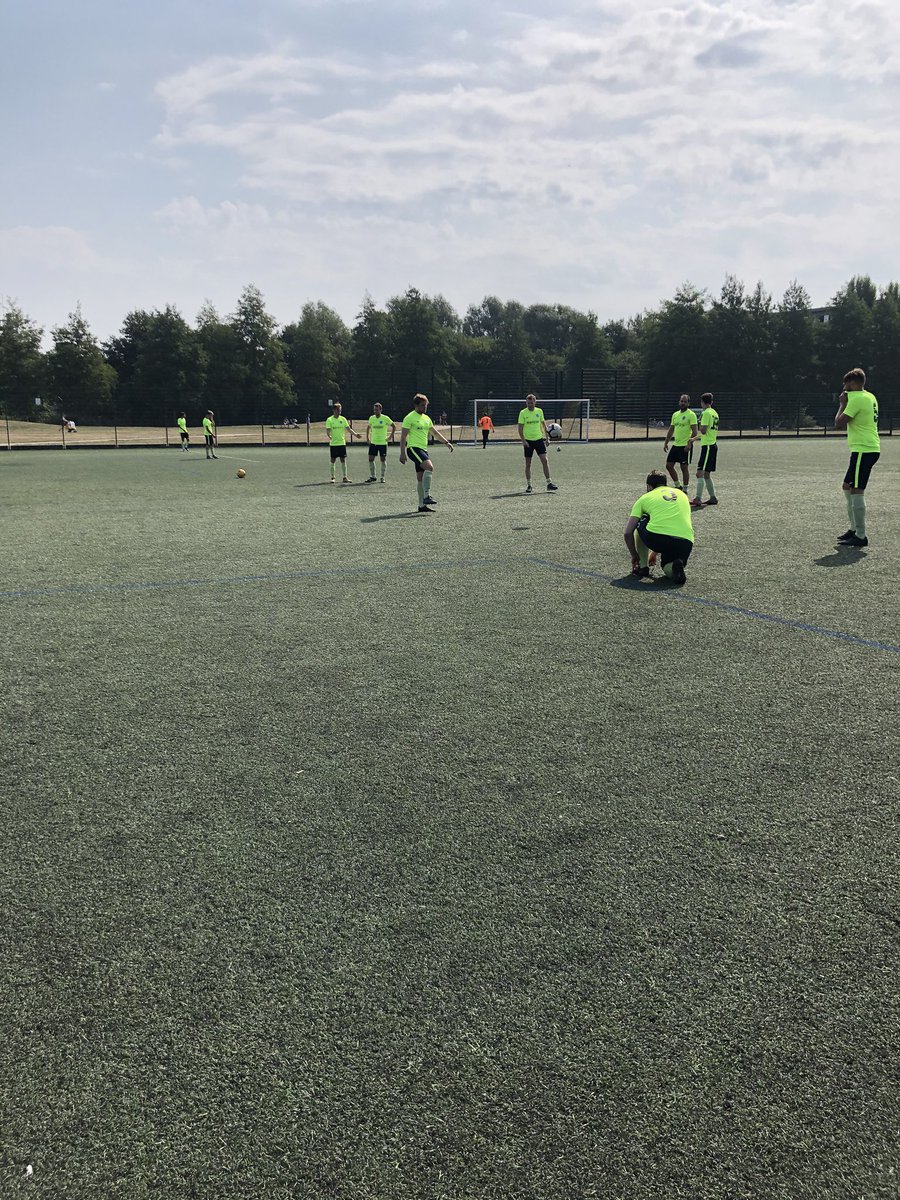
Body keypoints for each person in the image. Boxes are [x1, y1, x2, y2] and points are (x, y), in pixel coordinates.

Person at [624, 469, 695, 585]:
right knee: (668, 566)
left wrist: (634, 555)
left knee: (642, 520)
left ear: (649, 486)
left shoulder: (644, 498)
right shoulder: (682, 495)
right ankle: (675, 567)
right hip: (686, 540)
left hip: (658, 538)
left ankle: (643, 566)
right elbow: (669, 523)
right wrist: (654, 553)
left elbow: (627, 532)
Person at [835, 367, 880, 547]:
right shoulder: (870, 396)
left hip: (864, 449)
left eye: (846, 385)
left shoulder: (857, 399)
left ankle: (861, 536)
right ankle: (854, 529)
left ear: (853, 384)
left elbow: (838, 424)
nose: (844, 389)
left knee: (856, 490)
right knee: (847, 486)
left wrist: (842, 404)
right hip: (866, 448)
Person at [399, 393, 454, 513]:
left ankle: (421, 506)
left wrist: (446, 442)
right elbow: (403, 437)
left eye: (426, 405)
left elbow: (434, 432)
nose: (425, 407)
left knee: (420, 478)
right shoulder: (409, 418)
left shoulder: (426, 418)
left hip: (423, 450)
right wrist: (402, 453)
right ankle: (426, 496)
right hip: (413, 449)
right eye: (423, 405)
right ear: (416, 405)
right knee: (430, 467)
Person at [517, 394, 558, 493]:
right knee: (528, 464)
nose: (530, 404)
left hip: (539, 440)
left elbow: (544, 425)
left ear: (535, 402)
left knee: (545, 460)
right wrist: (523, 441)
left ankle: (549, 483)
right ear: (526, 403)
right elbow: (520, 428)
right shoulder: (523, 413)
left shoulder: (539, 411)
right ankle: (529, 485)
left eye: (531, 403)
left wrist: (547, 438)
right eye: (528, 403)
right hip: (528, 441)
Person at [663, 394, 698, 489]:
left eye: (685, 401)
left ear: (688, 403)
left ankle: (685, 489)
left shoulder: (691, 415)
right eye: (681, 401)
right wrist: (666, 442)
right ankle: (678, 485)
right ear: (679, 402)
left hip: (685, 445)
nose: (683, 403)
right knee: (669, 465)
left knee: (684, 468)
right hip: (676, 445)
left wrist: (689, 444)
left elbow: (695, 432)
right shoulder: (675, 414)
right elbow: (671, 429)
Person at [691, 393, 719, 508]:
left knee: (700, 473)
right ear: (711, 402)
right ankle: (713, 497)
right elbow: (708, 434)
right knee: (706, 474)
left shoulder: (706, 413)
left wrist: (699, 422)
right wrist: (694, 439)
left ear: (702, 402)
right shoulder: (715, 413)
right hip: (712, 445)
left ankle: (698, 498)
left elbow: (703, 431)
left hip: (707, 446)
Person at [324, 402, 362, 483]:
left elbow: (348, 429)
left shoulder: (343, 419)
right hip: (334, 444)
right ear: (334, 410)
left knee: (343, 460)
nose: (339, 411)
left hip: (342, 443)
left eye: (340, 410)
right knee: (333, 460)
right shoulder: (329, 420)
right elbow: (328, 430)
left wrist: (355, 435)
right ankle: (333, 477)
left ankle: (345, 477)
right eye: (338, 410)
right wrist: (329, 436)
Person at [365, 402, 396, 483]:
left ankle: (382, 477)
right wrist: (368, 438)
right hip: (373, 442)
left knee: (383, 459)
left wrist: (390, 437)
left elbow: (394, 426)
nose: (375, 411)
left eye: (377, 410)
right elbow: (368, 428)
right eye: (374, 410)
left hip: (382, 443)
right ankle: (373, 476)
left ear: (381, 410)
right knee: (370, 459)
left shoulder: (385, 418)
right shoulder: (371, 418)